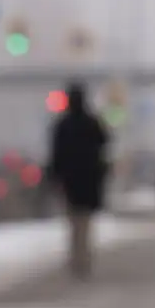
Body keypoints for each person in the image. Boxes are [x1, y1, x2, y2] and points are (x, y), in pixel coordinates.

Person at [45, 81, 109, 279]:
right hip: (90, 182)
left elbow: (55, 155)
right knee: (85, 223)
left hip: (70, 182)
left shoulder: (62, 125)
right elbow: (104, 142)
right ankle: (84, 259)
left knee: (73, 223)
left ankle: (76, 259)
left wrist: (54, 178)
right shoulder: (92, 122)